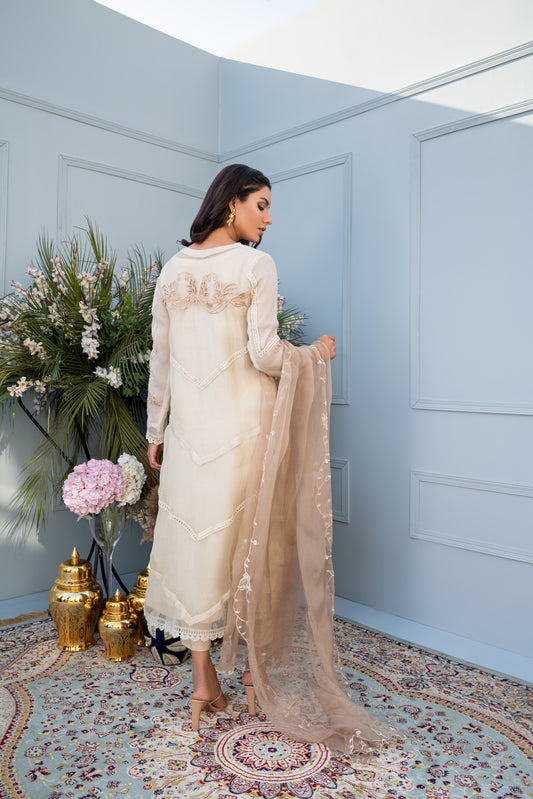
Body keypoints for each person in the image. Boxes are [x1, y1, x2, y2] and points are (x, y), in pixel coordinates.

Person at [145, 164, 400, 756]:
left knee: (198, 549)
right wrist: (316, 354)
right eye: (261, 204)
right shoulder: (255, 266)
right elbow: (263, 354)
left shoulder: (171, 270)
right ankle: (256, 682)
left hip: (188, 436)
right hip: (246, 431)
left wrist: (155, 430)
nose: (268, 217)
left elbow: (162, 358)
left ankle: (203, 683)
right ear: (231, 203)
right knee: (256, 547)